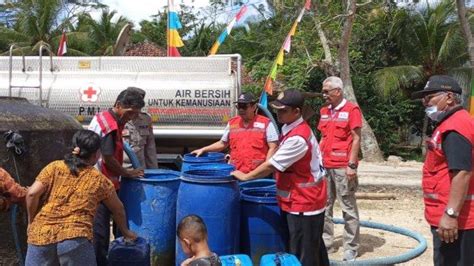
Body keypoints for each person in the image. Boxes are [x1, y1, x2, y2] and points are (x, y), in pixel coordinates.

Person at [232, 89, 329, 266]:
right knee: (312, 247)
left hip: (304, 202)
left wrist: (246, 177)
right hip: (297, 199)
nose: (278, 113)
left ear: (297, 112)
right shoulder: (289, 128)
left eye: (283, 110)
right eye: (276, 109)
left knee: (302, 254)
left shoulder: (298, 138)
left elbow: (272, 165)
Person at [25, 130, 137, 266]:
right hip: (75, 238)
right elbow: (118, 209)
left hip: (40, 236)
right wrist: (126, 232)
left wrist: (31, 221)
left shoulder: (54, 167)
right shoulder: (100, 180)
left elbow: (32, 194)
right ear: (96, 155)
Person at [411, 75, 474, 266]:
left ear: (449, 97)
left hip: (457, 222)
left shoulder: (455, 128)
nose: (425, 102)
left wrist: (451, 214)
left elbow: (462, 173)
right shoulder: (450, 123)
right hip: (450, 218)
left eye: (430, 97)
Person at [88, 88, 145, 265]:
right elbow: (108, 158)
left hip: (101, 183)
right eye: (130, 113)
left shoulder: (107, 118)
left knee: (103, 230)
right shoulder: (110, 126)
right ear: (118, 105)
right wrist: (127, 172)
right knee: (100, 232)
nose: (131, 118)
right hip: (99, 186)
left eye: (135, 114)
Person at [318, 76, 362, 261]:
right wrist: (318, 160)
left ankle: (351, 247)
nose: (324, 94)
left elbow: (356, 138)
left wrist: (352, 165)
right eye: (323, 91)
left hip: (343, 168)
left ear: (338, 91)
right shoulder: (324, 111)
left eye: (327, 91)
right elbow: (322, 137)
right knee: (325, 206)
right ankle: (326, 243)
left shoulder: (352, 110)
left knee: (348, 207)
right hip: (325, 166)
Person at [191, 92, 278, 174]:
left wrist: (265, 169)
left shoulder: (266, 123)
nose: (241, 109)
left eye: (244, 106)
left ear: (254, 107)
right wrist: (203, 149)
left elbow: (273, 147)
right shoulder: (232, 123)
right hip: (235, 173)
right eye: (239, 106)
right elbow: (222, 143)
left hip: (257, 175)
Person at [122, 87, 158, 169]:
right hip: (122, 170)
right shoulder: (119, 118)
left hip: (140, 169)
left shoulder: (146, 119)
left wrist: (153, 171)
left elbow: (150, 148)